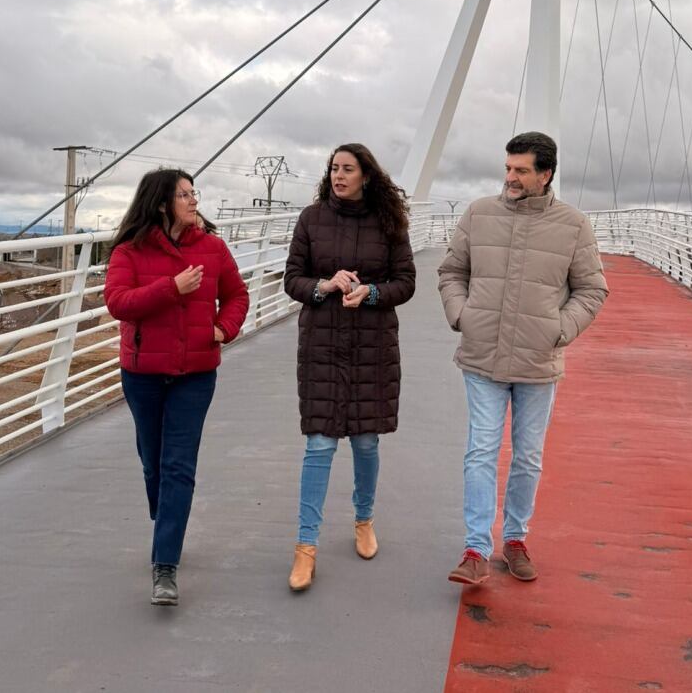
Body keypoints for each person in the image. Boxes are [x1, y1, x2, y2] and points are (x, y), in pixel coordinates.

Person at [438, 131, 608, 585]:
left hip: (538, 362)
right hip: (483, 356)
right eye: (507, 168)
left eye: (521, 170)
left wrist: (560, 329)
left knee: (528, 457)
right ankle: (476, 549)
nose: (509, 177)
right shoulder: (479, 214)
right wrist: (461, 315)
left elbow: (593, 289)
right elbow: (452, 271)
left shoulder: (573, 225)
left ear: (545, 174)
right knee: (481, 451)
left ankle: (515, 539)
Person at [104, 168, 250, 605]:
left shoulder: (213, 247)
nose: (193, 200)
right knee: (153, 462)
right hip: (143, 375)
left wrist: (225, 329)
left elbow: (238, 295)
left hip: (195, 374)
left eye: (194, 193)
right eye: (184, 194)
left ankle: (164, 564)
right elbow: (118, 303)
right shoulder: (129, 250)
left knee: (177, 467)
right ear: (163, 202)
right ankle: (166, 514)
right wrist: (172, 287)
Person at [282, 143, 416, 592]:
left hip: (372, 346)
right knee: (319, 445)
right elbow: (292, 278)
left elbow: (406, 282)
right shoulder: (311, 218)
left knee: (365, 442)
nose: (338, 175)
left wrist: (371, 294)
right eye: (333, 168)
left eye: (347, 169)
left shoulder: (389, 223)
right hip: (321, 344)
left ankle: (363, 519)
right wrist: (325, 284)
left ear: (366, 175)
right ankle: (305, 548)